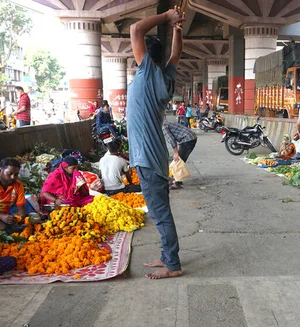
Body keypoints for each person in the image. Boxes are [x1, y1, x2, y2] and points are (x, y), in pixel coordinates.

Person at [127, 7, 185, 279]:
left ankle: (173, 265)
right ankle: (166, 257)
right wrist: (177, 30)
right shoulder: (165, 77)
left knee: (161, 214)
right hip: (154, 157)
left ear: (145, 56)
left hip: (148, 159)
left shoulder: (148, 72)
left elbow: (136, 29)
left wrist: (167, 18)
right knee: (161, 211)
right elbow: (176, 55)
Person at [162, 118, 198, 189]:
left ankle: (177, 183)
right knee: (180, 160)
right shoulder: (165, 121)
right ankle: (178, 179)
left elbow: (171, 140)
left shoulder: (162, 126)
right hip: (190, 137)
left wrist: (176, 153)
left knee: (178, 160)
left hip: (187, 139)